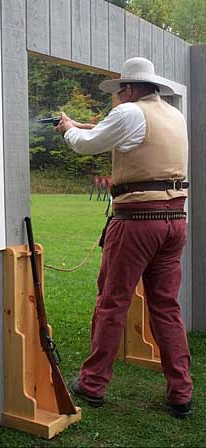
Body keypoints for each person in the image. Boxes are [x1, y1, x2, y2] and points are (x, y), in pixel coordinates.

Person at [56, 57, 192, 419]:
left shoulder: (129, 112)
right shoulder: (173, 116)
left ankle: (93, 383)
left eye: (119, 92)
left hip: (136, 221)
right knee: (166, 306)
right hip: (175, 219)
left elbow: (85, 145)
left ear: (129, 89)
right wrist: (93, 125)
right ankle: (181, 391)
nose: (117, 98)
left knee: (112, 302)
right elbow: (123, 134)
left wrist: (69, 127)